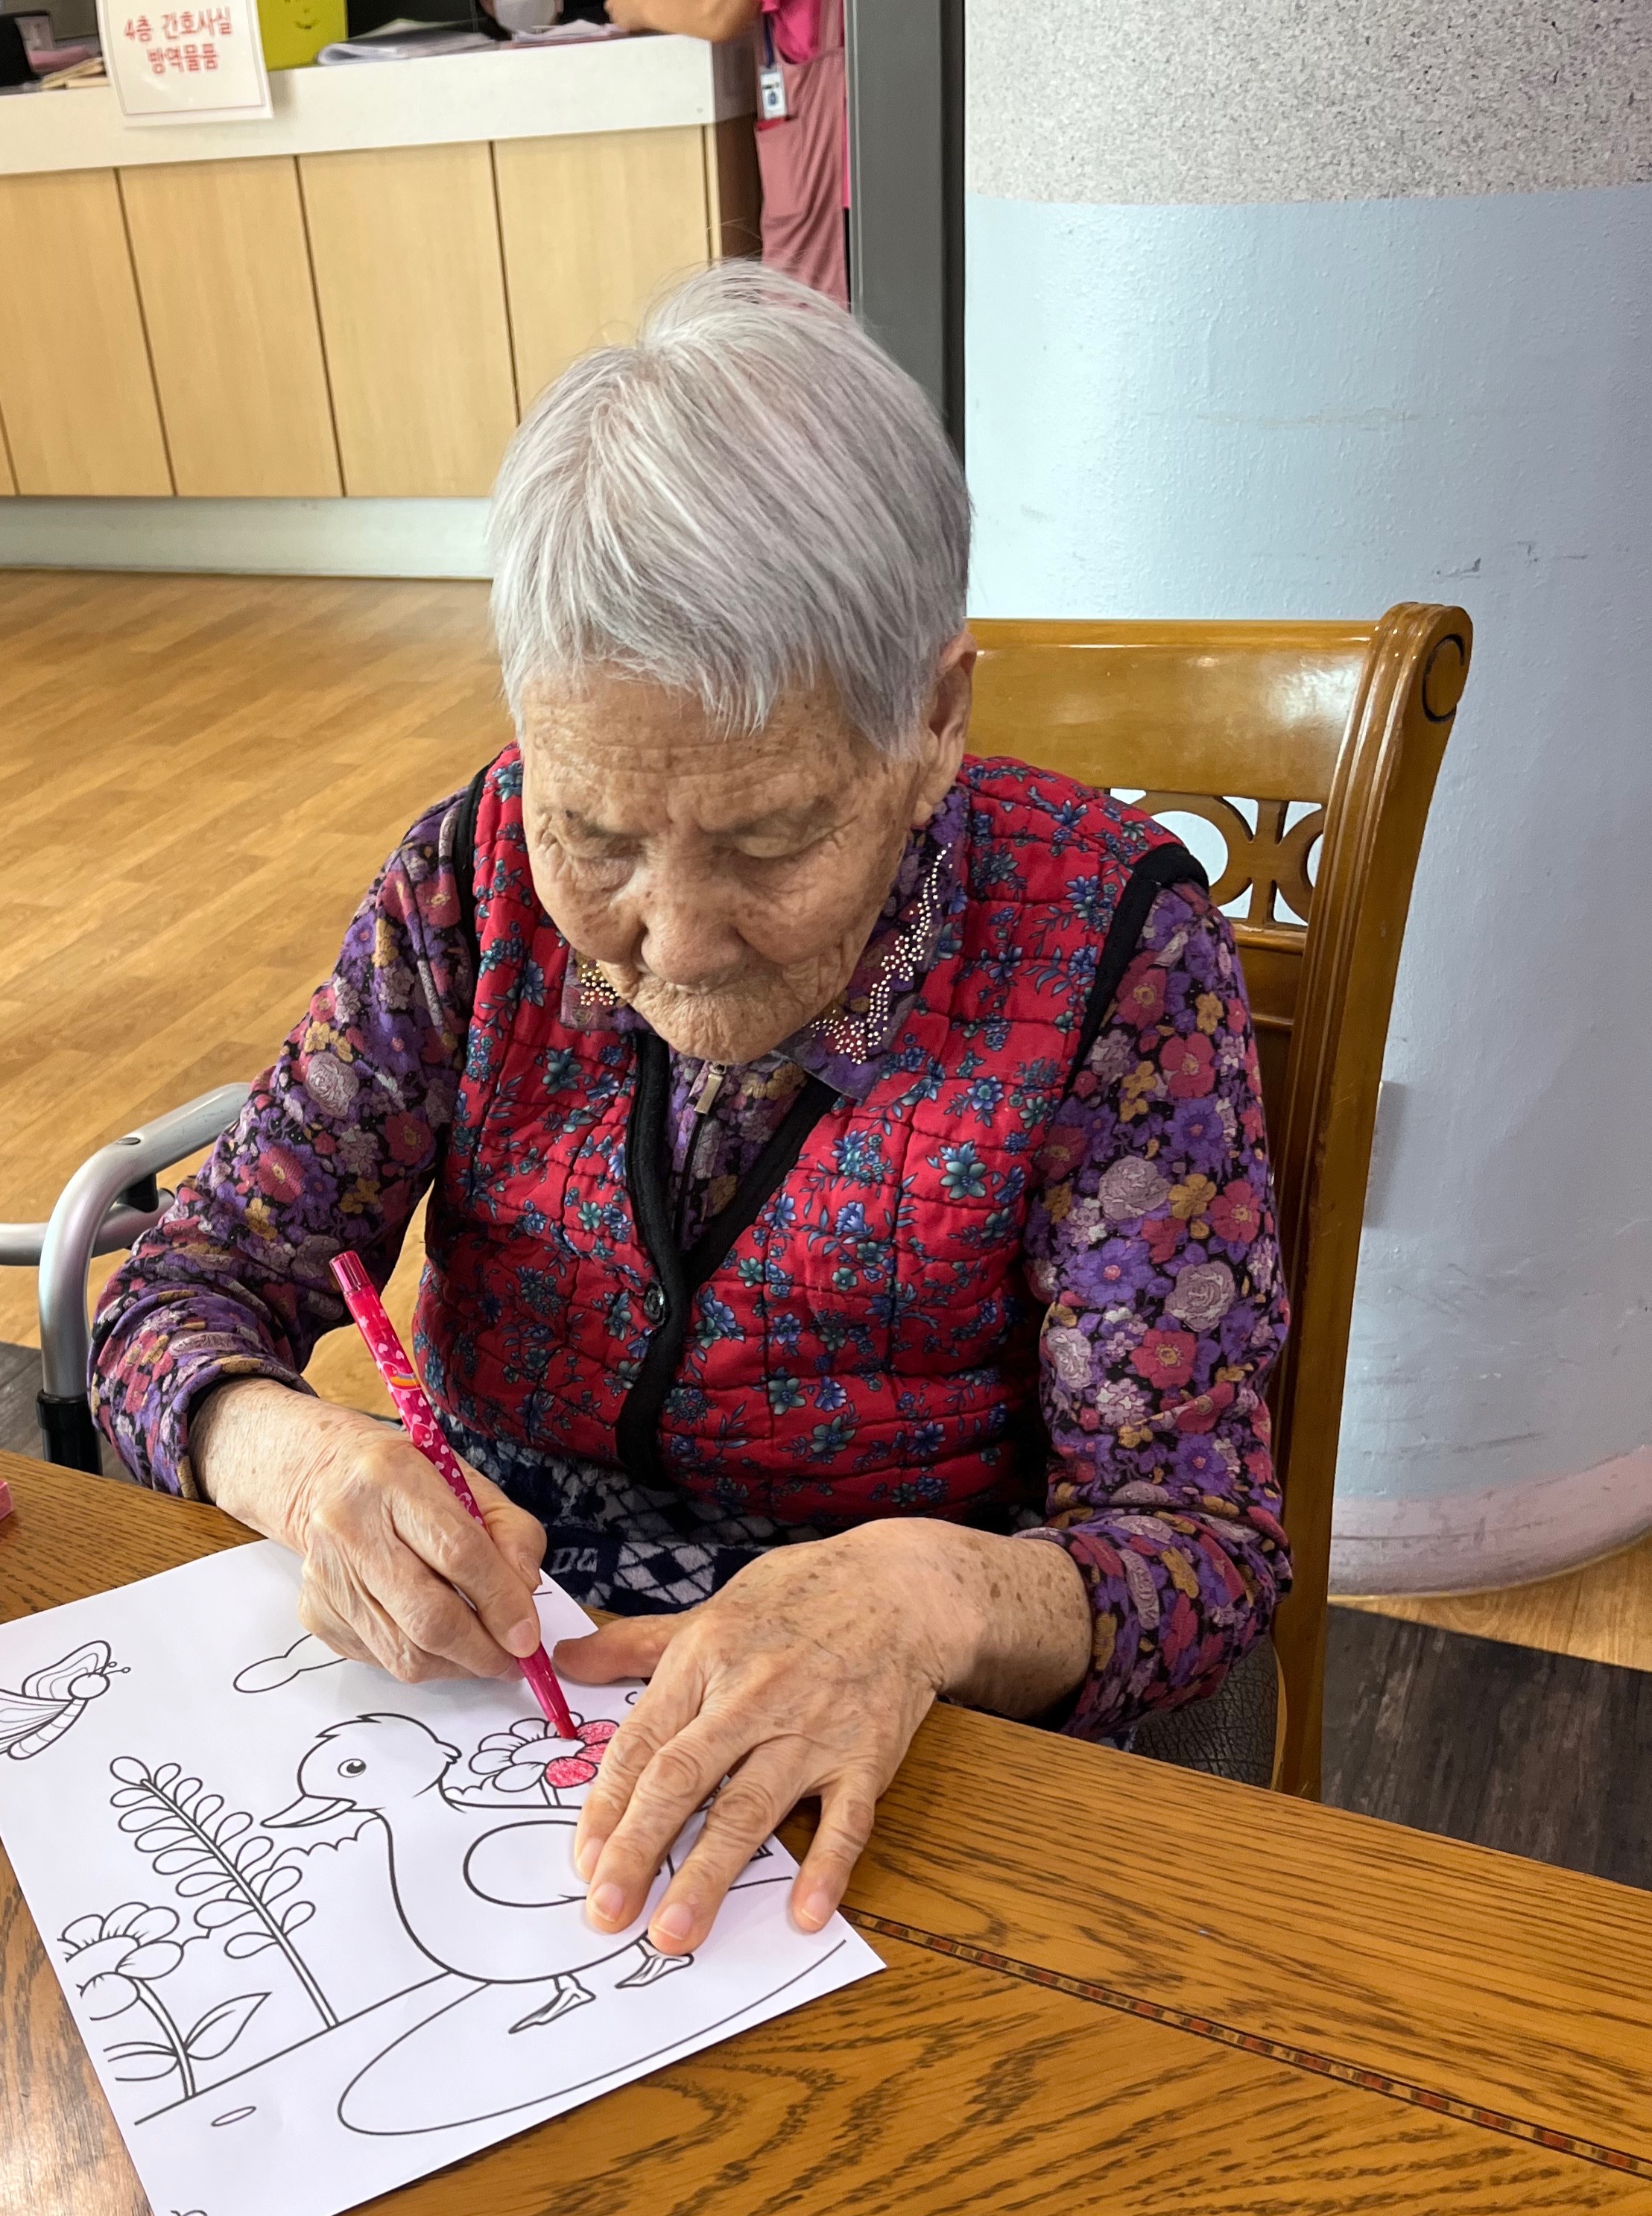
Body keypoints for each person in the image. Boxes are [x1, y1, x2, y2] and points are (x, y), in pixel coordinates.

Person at [92, 265, 1290, 1966]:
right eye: (594, 833)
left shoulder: (1103, 950)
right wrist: (295, 1464)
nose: (667, 940)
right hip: (486, 1681)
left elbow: (1197, 1545)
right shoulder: (470, 881)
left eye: (767, 840)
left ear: (933, 718)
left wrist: (919, 1596)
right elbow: (182, 1281)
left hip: (907, 1716)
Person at [604, 0, 849, 303]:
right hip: (824, 136)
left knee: (811, 295)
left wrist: (638, 9)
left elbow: (717, 14)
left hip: (834, 157)